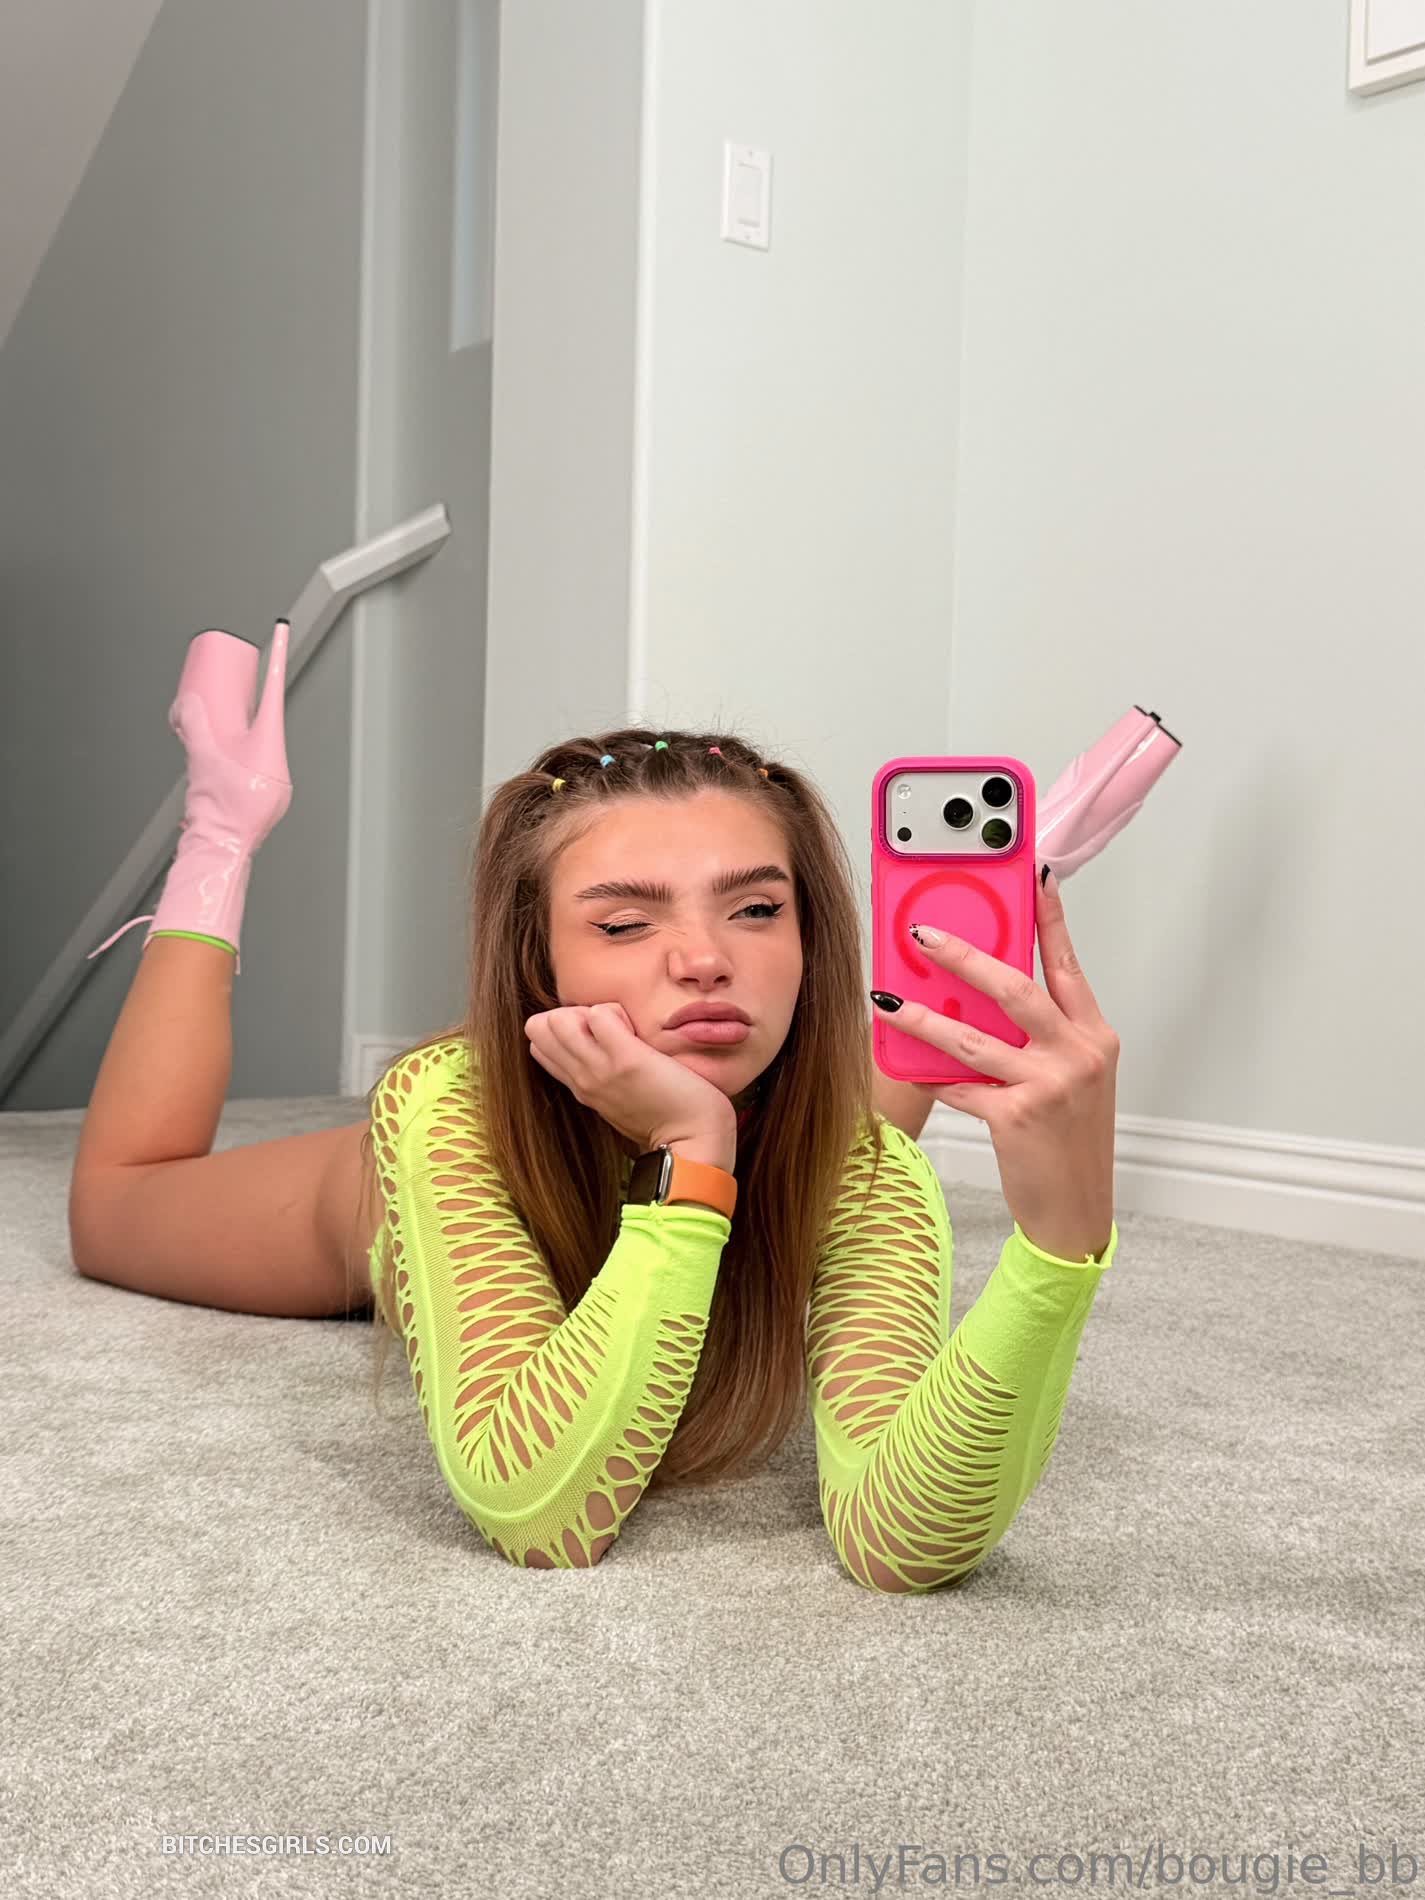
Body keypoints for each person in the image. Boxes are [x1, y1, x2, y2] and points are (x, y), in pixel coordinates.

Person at [71, 625, 1121, 1590]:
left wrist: (1059, 1244)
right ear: (539, 960)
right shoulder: (445, 1110)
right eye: (623, 925)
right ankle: (223, 821)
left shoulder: (865, 1167)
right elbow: (541, 1516)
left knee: (852, 1141)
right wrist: (693, 1150)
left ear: (812, 937)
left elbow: (905, 1543)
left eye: (757, 909)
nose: (704, 959)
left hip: (770, 1136)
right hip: (422, 1188)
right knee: (117, 1207)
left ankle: (994, 896)